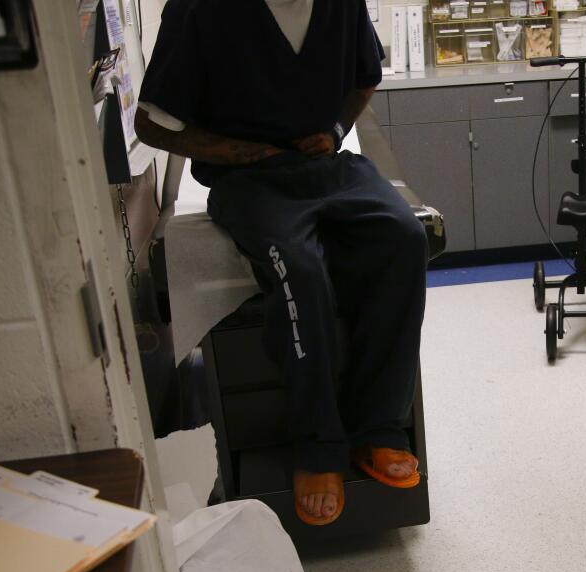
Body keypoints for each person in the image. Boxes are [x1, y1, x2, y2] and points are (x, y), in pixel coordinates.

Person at [136, 0, 428, 526]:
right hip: (246, 181)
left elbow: (366, 78)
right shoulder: (200, 10)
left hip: (328, 166)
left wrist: (336, 131)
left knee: (405, 238)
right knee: (299, 268)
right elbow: (152, 125)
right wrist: (235, 152)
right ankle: (317, 445)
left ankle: (379, 428)